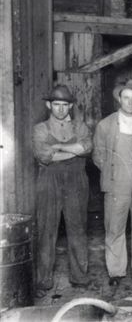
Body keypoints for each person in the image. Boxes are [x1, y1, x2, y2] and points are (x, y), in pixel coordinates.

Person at [93, 79, 132, 286]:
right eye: (126, 98)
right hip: (117, 180)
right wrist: (112, 171)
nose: (130, 102)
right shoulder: (106, 124)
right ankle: (116, 271)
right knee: (115, 226)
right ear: (119, 99)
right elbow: (98, 154)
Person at [32, 85, 93, 296]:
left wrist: (58, 148)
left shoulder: (80, 126)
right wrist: (73, 151)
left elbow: (87, 148)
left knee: (77, 229)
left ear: (70, 106)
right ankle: (44, 281)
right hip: (49, 181)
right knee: (47, 230)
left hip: (76, 181)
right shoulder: (40, 129)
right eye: (56, 104)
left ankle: (80, 277)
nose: (60, 109)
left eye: (64, 105)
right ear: (49, 105)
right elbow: (44, 156)